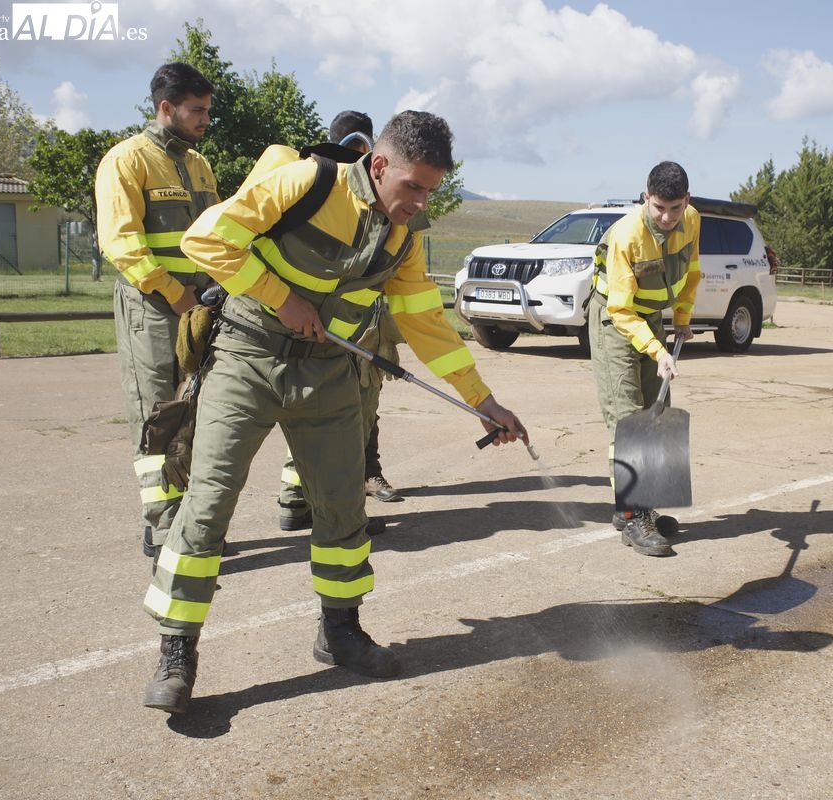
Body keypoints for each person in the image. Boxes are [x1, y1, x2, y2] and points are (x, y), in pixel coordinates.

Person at [141, 110, 529, 714]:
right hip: (246, 357)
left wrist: (482, 400)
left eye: (431, 190)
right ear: (379, 165)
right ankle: (176, 650)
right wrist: (281, 299)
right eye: (413, 186)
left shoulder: (404, 237)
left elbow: (426, 322)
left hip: (328, 372)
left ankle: (340, 630)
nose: (420, 203)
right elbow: (205, 240)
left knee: (343, 508)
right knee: (208, 502)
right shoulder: (306, 182)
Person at [95, 62, 218, 560]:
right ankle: (165, 527)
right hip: (152, 306)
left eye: (207, 110)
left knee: (199, 409)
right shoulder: (127, 160)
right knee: (157, 412)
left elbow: (215, 233)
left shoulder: (199, 164)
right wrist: (174, 292)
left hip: (201, 305)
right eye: (197, 110)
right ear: (166, 107)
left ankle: (188, 517)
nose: (205, 119)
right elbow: (121, 243)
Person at [277, 109, 403, 534]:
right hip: (335, 334)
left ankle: (298, 500)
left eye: (363, 147)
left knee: (316, 417)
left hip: (333, 331)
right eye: (353, 147)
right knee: (340, 423)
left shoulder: (313, 183)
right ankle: (335, 514)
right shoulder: (323, 189)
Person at [587, 161, 701, 558]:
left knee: (657, 413)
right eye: (659, 208)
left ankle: (641, 506)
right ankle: (634, 516)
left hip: (650, 318)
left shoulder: (692, 220)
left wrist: (682, 319)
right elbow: (621, 310)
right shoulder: (626, 235)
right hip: (613, 320)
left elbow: (692, 272)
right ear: (646, 197)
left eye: (675, 208)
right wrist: (657, 350)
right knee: (629, 420)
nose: (667, 218)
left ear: (686, 200)